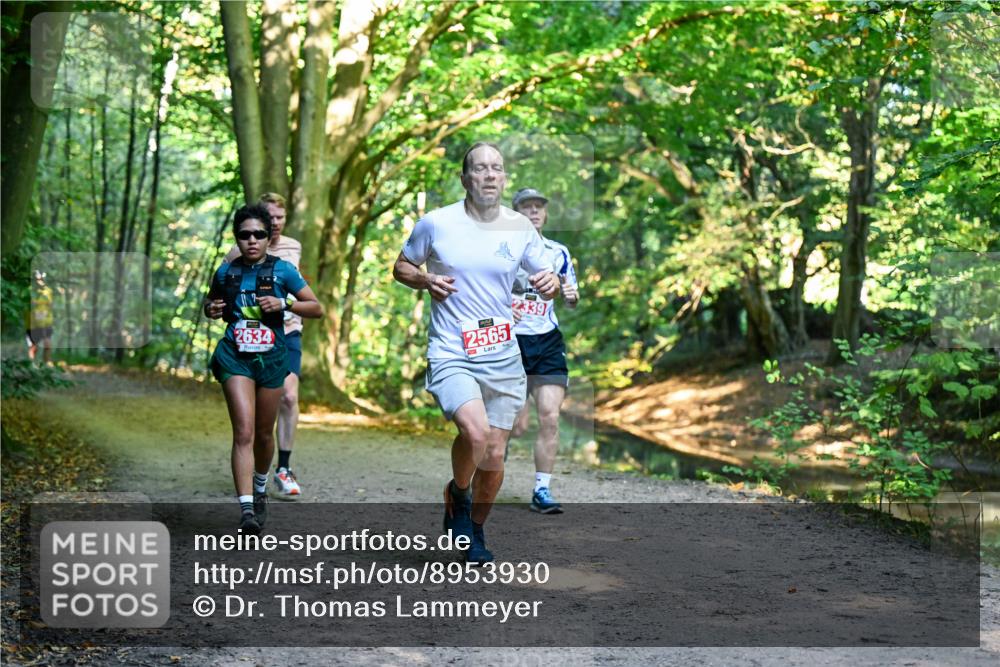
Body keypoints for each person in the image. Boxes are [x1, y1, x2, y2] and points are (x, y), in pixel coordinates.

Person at [392, 142, 559, 564]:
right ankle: (460, 498)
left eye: (496, 169)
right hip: (452, 349)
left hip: (502, 352)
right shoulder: (436, 223)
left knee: (497, 452)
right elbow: (402, 267)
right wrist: (426, 280)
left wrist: (550, 283)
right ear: (465, 178)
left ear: (504, 178)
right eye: (480, 169)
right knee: (476, 433)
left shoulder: (520, 227)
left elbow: (545, 272)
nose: (489, 175)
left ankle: (475, 528)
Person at [205, 204, 322, 534]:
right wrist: (211, 308)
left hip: (272, 358)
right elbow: (211, 303)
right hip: (235, 356)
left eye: (259, 234)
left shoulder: (283, 270)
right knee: (243, 431)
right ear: (236, 238)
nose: (252, 240)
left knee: (263, 434)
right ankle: (246, 512)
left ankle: (259, 489)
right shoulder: (226, 272)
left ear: (268, 236)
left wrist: (285, 303)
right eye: (245, 235)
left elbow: (316, 308)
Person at [224, 193, 305, 499]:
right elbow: (219, 288)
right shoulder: (236, 252)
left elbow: (301, 286)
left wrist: (287, 303)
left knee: (288, 396)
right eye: (269, 217)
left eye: (280, 218)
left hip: (287, 332)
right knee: (256, 417)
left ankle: (283, 469)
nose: (274, 224)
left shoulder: (293, 247)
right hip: (250, 338)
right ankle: (255, 466)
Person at [508, 188, 580, 514]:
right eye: (527, 206)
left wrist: (570, 293)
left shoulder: (559, 252)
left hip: (548, 340)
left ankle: (541, 490)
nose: (535, 211)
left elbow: (571, 296)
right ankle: (494, 455)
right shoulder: (501, 249)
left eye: (539, 207)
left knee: (550, 418)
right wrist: (502, 306)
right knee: (516, 426)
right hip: (511, 342)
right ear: (515, 213)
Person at [26, 270, 54, 365]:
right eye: (38, 280)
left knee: (48, 345)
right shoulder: (30, 290)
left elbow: (50, 305)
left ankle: (46, 365)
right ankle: (32, 365)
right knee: (33, 347)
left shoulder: (48, 291)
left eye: (42, 279)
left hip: (46, 322)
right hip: (33, 323)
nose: (41, 281)